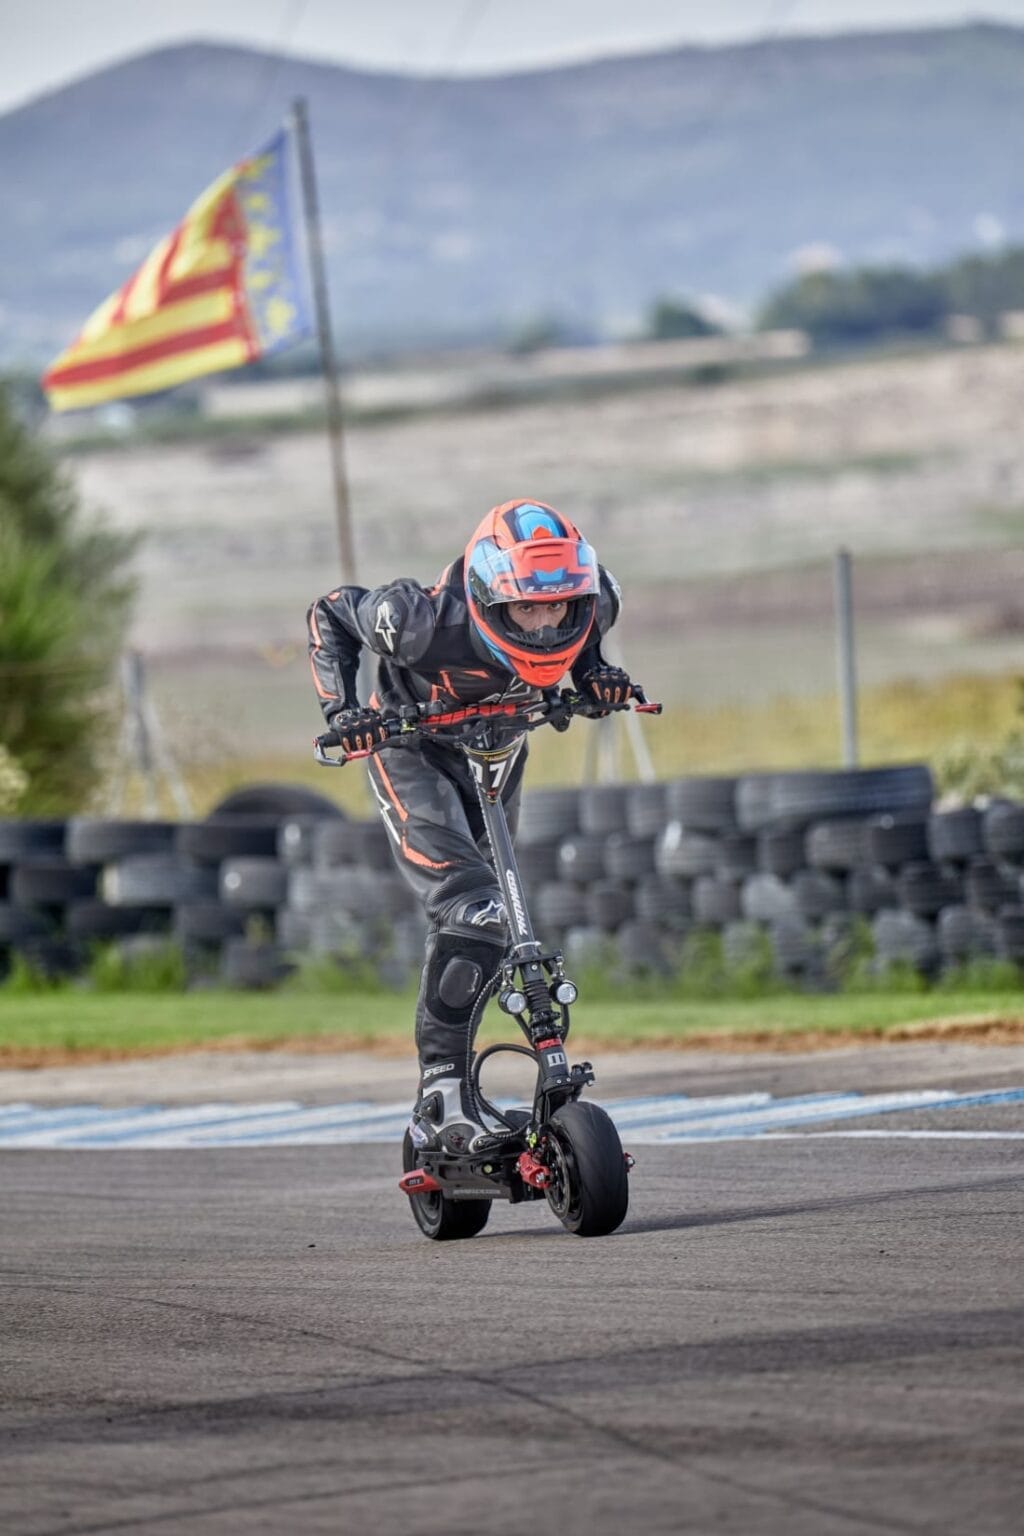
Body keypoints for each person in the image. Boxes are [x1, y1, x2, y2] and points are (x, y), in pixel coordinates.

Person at [307, 499, 632, 1154]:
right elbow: (331, 612)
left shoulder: (597, 603)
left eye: (557, 607)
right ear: (489, 597)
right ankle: (442, 1097)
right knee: (476, 910)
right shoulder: (417, 621)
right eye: (526, 609)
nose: (545, 624)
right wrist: (343, 712)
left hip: (497, 749)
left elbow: (586, 643)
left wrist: (595, 675)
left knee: (494, 924)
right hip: (411, 752)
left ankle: (470, 1092)